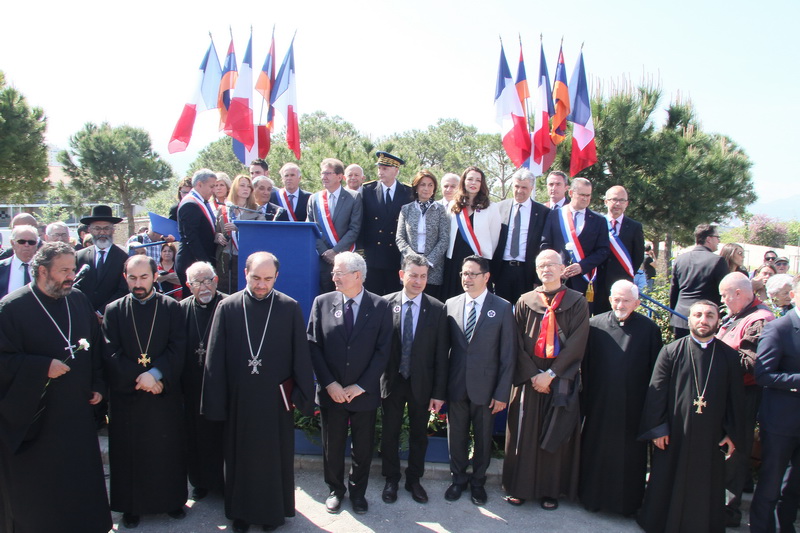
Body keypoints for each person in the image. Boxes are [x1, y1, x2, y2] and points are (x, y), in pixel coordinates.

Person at [0, 242, 111, 532]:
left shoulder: (78, 300)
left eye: (72, 269)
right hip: (37, 419)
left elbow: (96, 347)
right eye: (63, 270)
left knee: (79, 482)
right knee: (44, 493)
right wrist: (40, 367)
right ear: (41, 271)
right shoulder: (11, 308)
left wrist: (98, 384)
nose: (70, 276)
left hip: (76, 413)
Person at [203, 252, 315, 532]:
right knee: (240, 457)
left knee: (272, 459)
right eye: (256, 278)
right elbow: (214, 358)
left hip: (275, 400)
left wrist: (304, 397)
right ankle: (240, 513)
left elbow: (300, 356)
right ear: (245, 273)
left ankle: (271, 514)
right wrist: (216, 404)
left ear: (276, 277)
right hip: (239, 400)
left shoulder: (289, 307)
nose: (261, 285)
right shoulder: (227, 307)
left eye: (267, 279)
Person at [637, 300, 743, 533]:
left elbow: (736, 399)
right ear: (689, 319)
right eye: (698, 315)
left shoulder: (728, 357)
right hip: (674, 433)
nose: (703, 320)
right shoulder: (672, 351)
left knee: (705, 483)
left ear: (717, 321)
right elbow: (656, 393)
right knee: (667, 477)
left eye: (709, 316)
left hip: (712, 435)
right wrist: (658, 428)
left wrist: (731, 434)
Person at [102, 255, 188, 528]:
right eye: (132, 278)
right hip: (129, 397)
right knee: (130, 453)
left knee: (166, 449)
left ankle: (172, 501)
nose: (138, 284)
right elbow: (110, 352)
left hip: (163, 394)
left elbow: (178, 347)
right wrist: (141, 378)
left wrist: (156, 374)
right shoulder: (114, 310)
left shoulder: (172, 308)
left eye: (143, 277)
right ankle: (131, 507)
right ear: (124, 277)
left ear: (154, 276)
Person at [502, 250, 589, 510]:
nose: (546, 269)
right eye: (541, 265)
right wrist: (532, 375)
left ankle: (551, 490)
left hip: (558, 377)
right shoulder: (525, 301)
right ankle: (520, 487)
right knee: (524, 435)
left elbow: (577, 342)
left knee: (555, 435)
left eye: (552, 264)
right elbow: (514, 343)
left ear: (563, 269)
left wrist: (551, 375)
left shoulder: (577, 302)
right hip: (529, 378)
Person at [307, 252, 393, 515]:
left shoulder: (380, 307)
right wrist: (329, 383)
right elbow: (313, 346)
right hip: (332, 392)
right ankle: (335, 490)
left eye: (338, 272)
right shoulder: (322, 302)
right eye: (333, 272)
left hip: (363, 394)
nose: (333, 276)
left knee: (363, 447)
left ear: (357, 275)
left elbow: (383, 351)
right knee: (332, 445)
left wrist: (361, 386)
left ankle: (358, 493)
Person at [579, 280, 661, 516]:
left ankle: (626, 505)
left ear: (637, 302)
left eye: (626, 300)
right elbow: (586, 365)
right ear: (610, 299)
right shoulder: (595, 325)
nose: (620, 304)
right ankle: (591, 498)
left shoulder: (649, 330)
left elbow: (656, 371)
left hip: (633, 408)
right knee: (596, 452)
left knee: (628, 458)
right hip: (599, 404)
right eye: (616, 298)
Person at [444, 255, 515, 506]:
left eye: (473, 274)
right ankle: (458, 479)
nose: (467, 278)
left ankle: (478, 482)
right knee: (457, 436)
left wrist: (502, 392)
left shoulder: (503, 307)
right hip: (456, 386)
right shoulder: (450, 304)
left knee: (484, 438)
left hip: (486, 388)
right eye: (464, 273)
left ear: (486, 277)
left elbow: (508, 355)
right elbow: (445, 351)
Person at [380, 253, 449, 505]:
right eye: (413, 275)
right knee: (390, 432)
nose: (418, 281)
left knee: (419, 434)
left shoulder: (438, 309)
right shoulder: (385, 304)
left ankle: (414, 480)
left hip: (422, 384)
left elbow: (442, 354)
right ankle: (390, 479)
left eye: (423, 276)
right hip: (392, 382)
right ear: (402, 275)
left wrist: (439, 392)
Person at [716, 272, 775, 528]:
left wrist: (714, 352)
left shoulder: (759, 320)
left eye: (724, 295)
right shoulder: (741, 313)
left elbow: (750, 363)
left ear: (738, 293)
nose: (722, 300)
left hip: (744, 396)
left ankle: (728, 512)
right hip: (728, 392)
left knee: (735, 453)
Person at [750, 275, 800, 533]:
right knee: (770, 483)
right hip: (781, 421)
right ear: (793, 296)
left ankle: (786, 527)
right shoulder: (779, 327)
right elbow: (763, 374)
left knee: (794, 487)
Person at [180, 262, 226, 503]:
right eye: (197, 282)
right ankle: (199, 482)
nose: (203, 286)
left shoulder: (229, 305)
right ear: (189, 286)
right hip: (192, 386)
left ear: (216, 280)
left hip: (221, 387)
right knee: (195, 436)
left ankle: (222, 481)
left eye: (207, 280)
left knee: (220, 437)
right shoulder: (180, 310)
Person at [541, 177, 610, 304]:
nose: (585, 198)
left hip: (584, 280)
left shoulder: (598, 220)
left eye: (588, 195)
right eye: (582, 195)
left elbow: (603, 250)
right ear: (571, 193)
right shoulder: (555, 215)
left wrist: (582, 266)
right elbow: (545, 244)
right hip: (558, 279)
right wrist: (556, 267)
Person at [491, 168, 550, 305]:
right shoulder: (498, 208)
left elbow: (544, 245)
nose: (519, 190)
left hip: (527, 272)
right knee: (501, 311)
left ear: (532, 188)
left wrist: (537, 278)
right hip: (502, 270)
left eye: (524, 187)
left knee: (525, 312)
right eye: (517, 186)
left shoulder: (543, 213)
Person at [360, 151, 414, 295]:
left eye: (385, 169)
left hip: (395, 255)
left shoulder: (408, 192)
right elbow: (362, 223)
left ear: (396, 171)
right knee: (373, 297)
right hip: (373, 256)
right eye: (379, 168)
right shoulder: (368, 190)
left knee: (394, 297)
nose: (380, 172)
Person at [443, 166, 501, 300]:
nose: (473, 183)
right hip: (455, 262)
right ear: (463, 182)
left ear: (482, 184)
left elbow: (494, 239)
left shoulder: (492, 207)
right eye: (470, 179)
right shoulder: (453, 205)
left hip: (478, 261)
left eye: (477, 180)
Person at [306, 158, 362, 293]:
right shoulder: (314, 198)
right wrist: (324, 252)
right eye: (322, 173)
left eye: (328, 173)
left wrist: (335, 251)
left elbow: (354, 229)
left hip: (344, 257)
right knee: (323, 297)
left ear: (339, 177)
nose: (323, 177)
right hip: (321, 258)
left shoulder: (353, 197)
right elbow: (310, 228)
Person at [395, 170, 450, 299]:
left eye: (430, 185)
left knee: (430, 305)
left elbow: (444, 239)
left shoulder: (441, 210)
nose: (426, 188)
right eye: (422, 184)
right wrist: (413, 259)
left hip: (433, 267)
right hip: (410, 264)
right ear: (416, 187)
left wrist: (428, 261)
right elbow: (400, 238)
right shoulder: (406, 209)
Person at [669, 224, 728, 338]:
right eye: (717, 237)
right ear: (708, 239)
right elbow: (724, 292)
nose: (719, 241)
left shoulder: (680, 259)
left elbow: (674, 291)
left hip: (680, 317)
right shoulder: (718, 261)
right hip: (705, 320)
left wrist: (673, 315)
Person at [593, 185, 645, 314]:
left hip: (622, 285)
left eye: (622, 200)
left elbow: (637, 256)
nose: (618, 204)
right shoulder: (596, 223)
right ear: (606, 202)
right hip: (598, 284)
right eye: (614, 199)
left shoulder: (635, 227)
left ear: (627, 204)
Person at [73, 205, 129, 321]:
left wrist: (101, 312)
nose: (102, 233)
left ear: (113, 230)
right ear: (89, 230)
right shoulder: (80, 256)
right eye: (97, 228)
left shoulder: (123, 257)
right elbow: (75, 287)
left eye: (106, 228)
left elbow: (123, 290)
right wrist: (87, 311)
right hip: (83, 317)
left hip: (111, 317)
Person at [215, 174, 266, 294]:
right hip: (225, 257)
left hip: (246, 256)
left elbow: (261, 232)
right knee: (225, 291)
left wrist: (240, 229)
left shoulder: (257, 210)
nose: (246, 189)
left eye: (249, 187)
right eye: (242, 185)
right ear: (234, 188)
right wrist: (217, 237)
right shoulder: (224, 209)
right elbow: (216, 231)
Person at [176, 168, 219, 289]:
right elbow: (191, 238)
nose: (214, 190)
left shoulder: (201, 202)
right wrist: (206, 264)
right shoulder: (190, 204)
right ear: (199, 184)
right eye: (211, 186)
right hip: (192, 262)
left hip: (201, 259)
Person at [0, 224, 38, 299]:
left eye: (31, 242)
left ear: (36, 244)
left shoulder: (44, 269)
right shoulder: (2, 268)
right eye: (21, 241)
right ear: (12, 243)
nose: (26, 245)